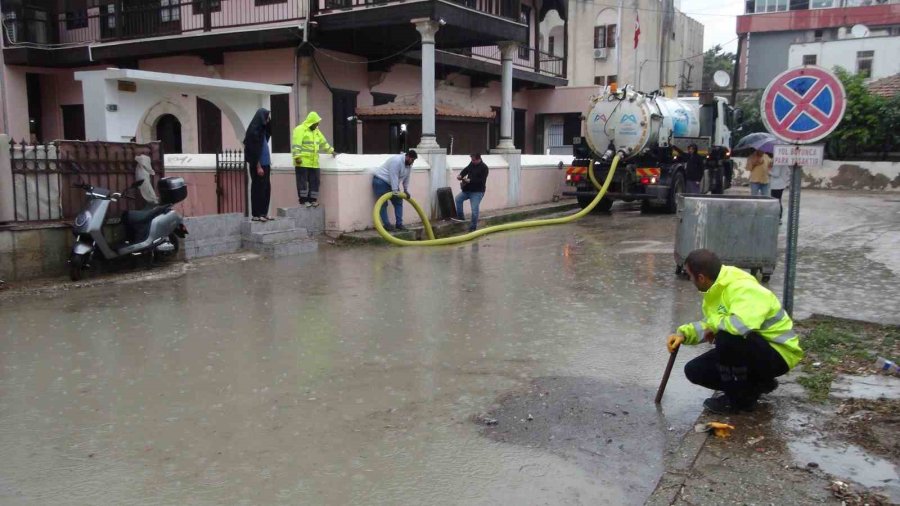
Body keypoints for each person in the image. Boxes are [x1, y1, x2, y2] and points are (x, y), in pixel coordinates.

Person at [667, 249, 803, 414]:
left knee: (727, 337)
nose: (689, 279)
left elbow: (739, 326)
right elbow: (712, 323)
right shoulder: (715, 289)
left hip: (780, 353)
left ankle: (738, 400)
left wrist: (715, 328)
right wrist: (684, 334)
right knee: (694, 370)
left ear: (701, 278)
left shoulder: (742, 287)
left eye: (690, 275)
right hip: (757, 351)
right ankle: (757, 384)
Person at [292, 111, 335, 208]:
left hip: (314, 162)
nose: (317, 125)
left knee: (315, 181)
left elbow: (323, 143)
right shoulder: (300, 130)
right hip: (302, 162)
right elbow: (296, 145)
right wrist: (297, 157)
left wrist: (331, 151)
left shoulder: (316, 131)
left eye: (317, 123)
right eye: (316, 123)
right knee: (302, 182)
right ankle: (303, 200)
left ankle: (312, 200)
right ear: (311, 122)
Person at [372, 150, 417, 231]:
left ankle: (399, 224)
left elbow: (407, 178)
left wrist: (405, 190)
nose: (412, 162)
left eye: (414, 160)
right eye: (412, 160)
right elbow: (394, 175)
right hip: (381, 180)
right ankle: (387, 225)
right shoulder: (396, 161)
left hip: (391, 183)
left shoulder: (409, 165)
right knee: (383, 204)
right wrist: (395, 190)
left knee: (398, 202)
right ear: (408, 157)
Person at [244, 108, 273, 221]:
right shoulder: (253, 132)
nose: (267, 119)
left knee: (266, 189)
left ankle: (264, 213)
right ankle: (257, 214)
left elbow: (270, 131)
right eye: (266, 116)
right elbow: (252, 150)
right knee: (258, 189)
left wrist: (269, 121)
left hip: (266, 164)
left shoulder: (262, 131)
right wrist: (258, 166)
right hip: (258, 165)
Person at [451, 153, 489, 232]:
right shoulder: (472, 164)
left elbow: (482, 181)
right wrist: (460, 175)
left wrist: (470, 180)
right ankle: (461, 218)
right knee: (458, 199)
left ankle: (472, 228)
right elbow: (466, 169)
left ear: (479, 159)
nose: (472, 161)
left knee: (474, 210)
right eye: (471, 160)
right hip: (468, 189)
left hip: (477, 192)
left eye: (474, 160)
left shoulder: (484, 168)